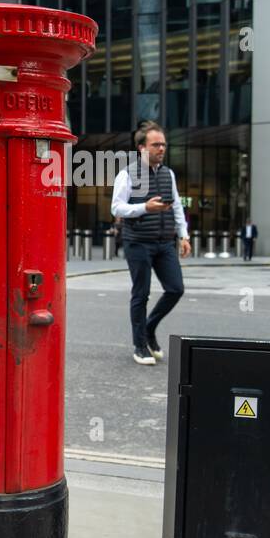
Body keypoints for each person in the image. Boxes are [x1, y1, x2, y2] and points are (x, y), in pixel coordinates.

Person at [110, 121, 189, 365]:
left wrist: (184, 235)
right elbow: (116, 207)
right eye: (156, 144)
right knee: (141, 294)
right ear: (142, 147)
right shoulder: (127, 174)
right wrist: (145, 207)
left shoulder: (168, 173)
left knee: (176, 288)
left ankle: (149, 328)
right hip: (138, 242)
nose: (161, 149)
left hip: (165, 242)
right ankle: (140, 345)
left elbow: (176, 205)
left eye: (164, 144)